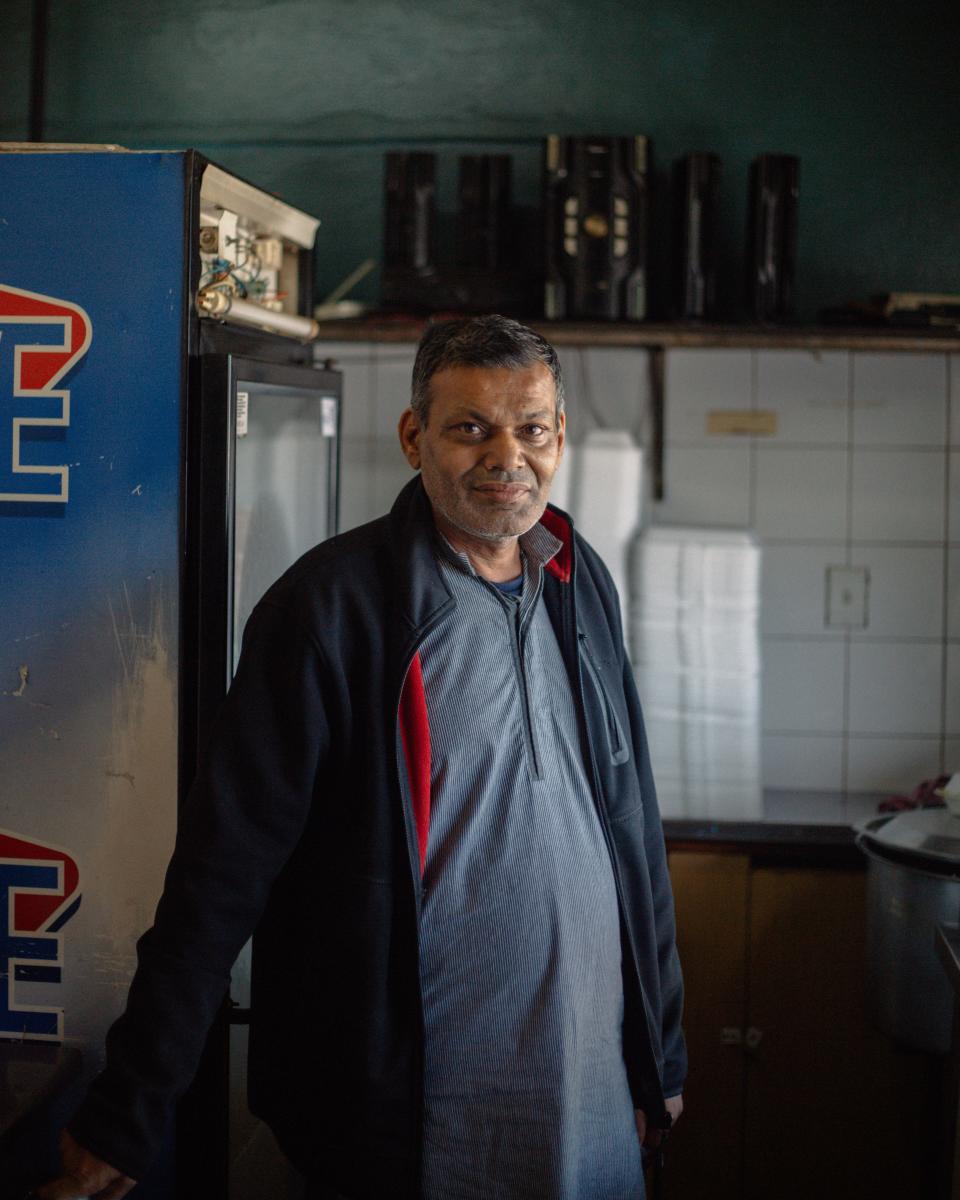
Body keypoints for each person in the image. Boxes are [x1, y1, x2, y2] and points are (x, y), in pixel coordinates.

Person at [38, 315, 685, 1200]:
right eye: (470, 428)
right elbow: (219, 877)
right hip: (412, 1118)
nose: (507, 455)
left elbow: (630, 826)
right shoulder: (332, 610)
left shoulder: (579, 580)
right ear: (414, 437)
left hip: (594, 1102)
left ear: (560, 436)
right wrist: (128, 1110)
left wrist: (660, 1058)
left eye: (530, 428)